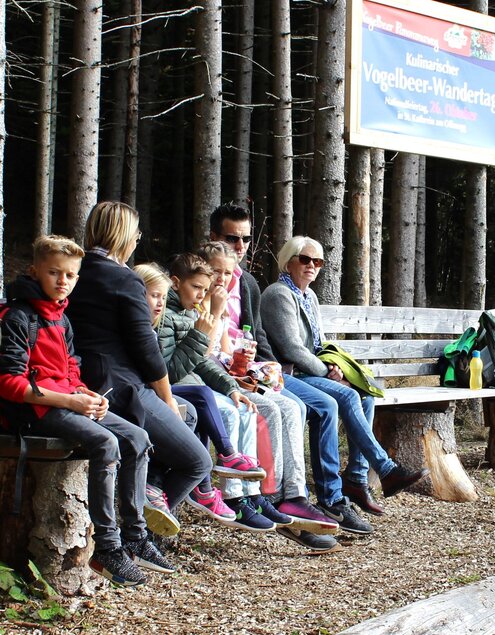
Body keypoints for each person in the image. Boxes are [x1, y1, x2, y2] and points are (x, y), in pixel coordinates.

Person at [0, 236, 166, 585]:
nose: (63, 281)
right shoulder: (17, 317)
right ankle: (107, 547)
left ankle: (135, 533)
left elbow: (71, 371)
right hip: (32, 412)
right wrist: (70, 400)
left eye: (71, 275)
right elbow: (9, 384)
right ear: (35, 271)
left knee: (137, 436)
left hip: (65, 401)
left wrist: (86, 393)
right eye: (54, 273)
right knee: (106, 444)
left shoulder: (62, 318)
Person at [66, 201, 213, 538]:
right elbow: (146, 351)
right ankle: (141, 534)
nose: (137, 240)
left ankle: (151, 489)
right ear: (122, 235)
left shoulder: (77, 271)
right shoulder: (124, 279)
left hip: (82, 381)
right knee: (198, 462)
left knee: (189, 413)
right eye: (135, 233)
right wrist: (167, 399)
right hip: (119, 388)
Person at [261, 236, 427, 529]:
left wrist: (335, 368)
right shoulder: (278, 295)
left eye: (318, 262)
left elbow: (318, 343)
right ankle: (383, 469)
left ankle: (356, 479)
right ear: (288, 260)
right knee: (345, 399)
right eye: (305, 259)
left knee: (364, 395)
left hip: (310, 371)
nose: (312, 266)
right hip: (287, 374)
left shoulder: (308, 296)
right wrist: (325, 373)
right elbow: (291, 349)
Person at [207, 205, 341, 551]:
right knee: (273, 408)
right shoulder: (203, 275)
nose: (239, 245)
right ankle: (271, 495)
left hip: (247, 367)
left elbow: (257, 336)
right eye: (231, 237)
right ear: (213, 238)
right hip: (215, 371)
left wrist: (267, 367)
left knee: (293, 406)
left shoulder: (247, 281)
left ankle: (295, 495)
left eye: (246, 239)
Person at [158, 253, 286, 532]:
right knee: (203, 397)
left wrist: (231, 388)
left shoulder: (188, 312)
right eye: (196, 288)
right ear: (176, 283)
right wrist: (199, 335)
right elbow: (170, 371)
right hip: (169, 387)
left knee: (238, 404)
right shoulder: (166, 317)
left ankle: (240, 491)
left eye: (205, 290)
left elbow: (202, 363)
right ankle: (227, 461)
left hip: (191, 385)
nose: (201, 295)